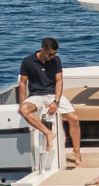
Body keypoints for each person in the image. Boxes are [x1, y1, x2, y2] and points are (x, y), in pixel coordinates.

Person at [18, 37, 80, 165]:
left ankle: (77, 151)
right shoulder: (27, 61)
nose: (52, 57)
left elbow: (59, 81)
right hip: (36, 96)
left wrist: (56, 101)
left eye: (54, 54)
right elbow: (23, 83)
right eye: (50, 54)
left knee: (74, 118)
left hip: (53, 95)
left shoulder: (56, 60)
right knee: (23, 110)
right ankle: (48, 133)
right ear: (43, 50)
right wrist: (22, 102)